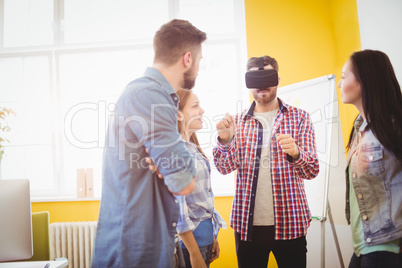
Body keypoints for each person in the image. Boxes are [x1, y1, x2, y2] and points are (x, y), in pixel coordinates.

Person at [91, 19, 207, 268]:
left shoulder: (153, 95)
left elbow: (173, 171)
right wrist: (176, 166)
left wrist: (167, 163)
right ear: (188, 59)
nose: (199, 67)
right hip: (132, 249)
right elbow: (183, 180)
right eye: (199, 60)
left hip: (146, 242)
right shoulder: (150, 95)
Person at [213, 55, 319, 268]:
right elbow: (224, 168)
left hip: (291, 223)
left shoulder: (300, 118)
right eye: (255, 80)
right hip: (247, 226)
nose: (261, 86)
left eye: (267, 78)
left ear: (278, 79)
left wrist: (297, 154)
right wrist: (225, 141)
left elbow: (312, 170)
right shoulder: (238, 122)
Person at [337, 49, 402, 268]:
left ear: (365, 80)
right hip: (364, 245)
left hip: (387, 247)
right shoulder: (358, 130)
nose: (339, 84)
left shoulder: (393, 127)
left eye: (344, 76)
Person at [174, 89, 227, 268]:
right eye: (195, 106)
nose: (202, 111)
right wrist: (194, 253)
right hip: (189, 247)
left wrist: (212, 236)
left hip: (202, 240)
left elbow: (201, 202)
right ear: (178, 114)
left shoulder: (191, 148)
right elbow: (178, 213)